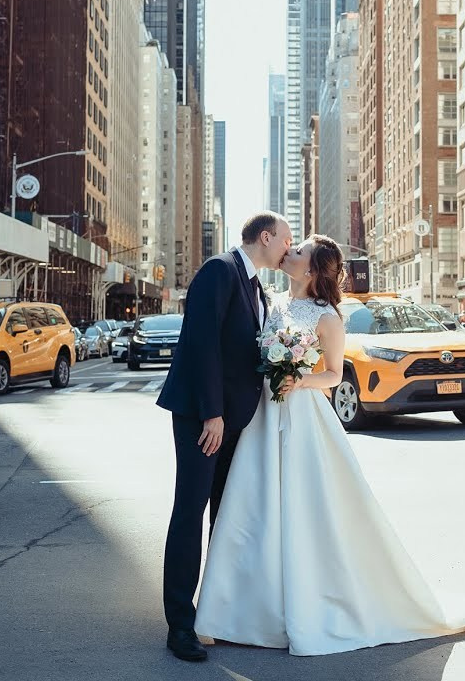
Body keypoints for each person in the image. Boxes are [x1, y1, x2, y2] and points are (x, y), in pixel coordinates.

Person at [194, 234, 465, 657]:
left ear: (315, 269)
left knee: (303, 511)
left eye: (299, 251)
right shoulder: (272, 302)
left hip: (301, 418)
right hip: (261, 417)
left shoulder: (327, 318)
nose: (290, 252)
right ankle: (231, 612)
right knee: (252, 509)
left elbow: (334, 375)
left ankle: (303, 605)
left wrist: (298, 378)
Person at [156, 211, 292, 662]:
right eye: (285, 241)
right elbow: (200, 344)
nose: (288, 249)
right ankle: (180, 624)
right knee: (190, 511)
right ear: (266, 237)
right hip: (202, 417)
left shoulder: (257, 287)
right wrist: (211, 414)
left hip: (234, 421)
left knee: (225, 514)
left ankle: (214, 611)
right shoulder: (220, 270)